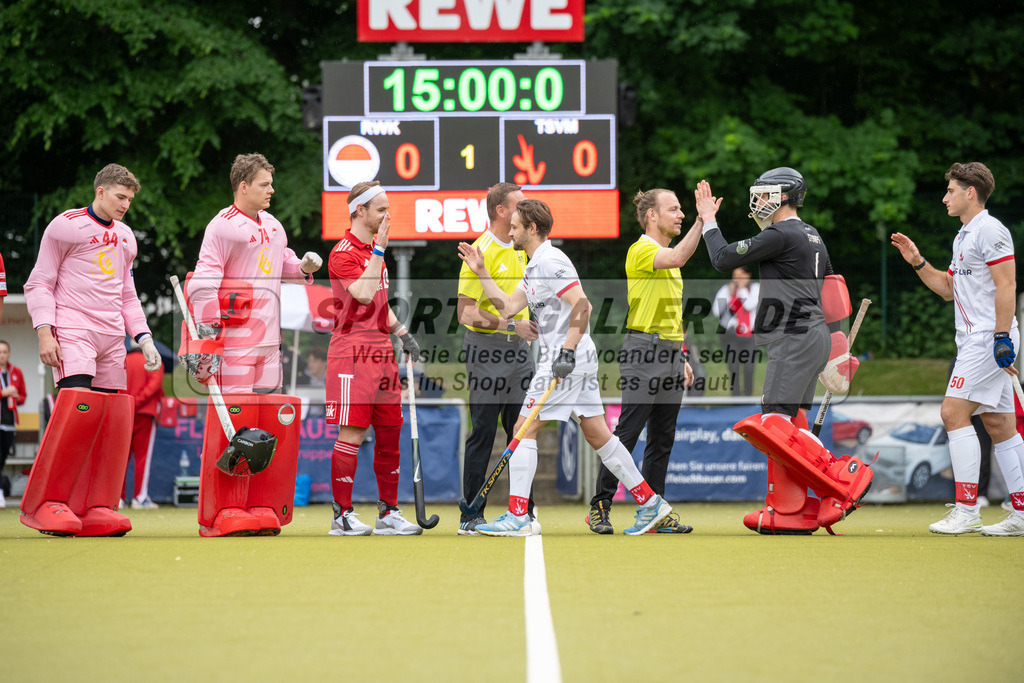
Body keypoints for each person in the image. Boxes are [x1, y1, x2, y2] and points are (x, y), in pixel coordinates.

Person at [459, 198, 673, 536]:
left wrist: (567, 353)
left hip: (566, 359)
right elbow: (508, 305)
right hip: (573, 359)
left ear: (531, 228)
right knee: (598, 434)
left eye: (515, 227)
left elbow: (582, 306)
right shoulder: (532, 265)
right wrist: (482, 271)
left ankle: (517, 516)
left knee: (521, 430)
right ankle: (650, 503)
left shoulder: (550, 260)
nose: (510, 231)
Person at [696, 170, 872, 534]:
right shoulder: (813, 234)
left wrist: (709, 221)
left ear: (784, 195)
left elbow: (723, 258)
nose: (757, 201)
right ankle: (790, 511)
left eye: (763, 194)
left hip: (794, 337)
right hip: (815, 334)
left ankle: (841, 480)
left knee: (774, 423)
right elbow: (833, 290)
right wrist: (836, 344)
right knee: (793, 421)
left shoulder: (781, 233)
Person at [184, 152, 323, 537]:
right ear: (243, 186)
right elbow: (203, 280)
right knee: (234, 424)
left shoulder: (275, 226)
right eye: (264, 184)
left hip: (269, 341)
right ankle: (224, 509)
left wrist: (304, 268)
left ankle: (257, 502)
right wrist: (208, 331)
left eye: (271, 184)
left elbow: (285, 266)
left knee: (264, 424)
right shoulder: (222, 226)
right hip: (234, 342)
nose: (271, 190)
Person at [20, 163, 163, 536]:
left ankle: (95, 505)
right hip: (73, 329)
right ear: (100, 191)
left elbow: (128, 296)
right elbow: (39, 283)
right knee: (77, 414)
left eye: (130, 199)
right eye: (120, 196)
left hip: (112, 338)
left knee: (108, 423)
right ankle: (49, 502)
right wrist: (45, 332)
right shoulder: (66, 225)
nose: (125, 205)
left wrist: (144, 338)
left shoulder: (128, 237)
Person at [892, 161, 1024, 536]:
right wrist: (917, 262)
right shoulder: (963, 235)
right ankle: (1022, 513)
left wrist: (1001, 337)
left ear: (970, 192)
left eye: (951, 190)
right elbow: (949, 289)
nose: (944, 196)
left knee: (952, 412)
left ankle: (967, 510)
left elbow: (1007, 285)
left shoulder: (991, 230)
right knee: (1000, 425)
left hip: (986, 338)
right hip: (978, 338)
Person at [587, 188, 698, 535]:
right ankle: (600, 506)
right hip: (642, 351)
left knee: (662, 438)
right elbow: (679, 257)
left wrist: (681, 354)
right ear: (652, 215)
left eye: (683, 210)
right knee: (627, 433)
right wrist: (704, 220)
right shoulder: (642, 250)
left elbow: (671, 313)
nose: (680, 215)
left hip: (668, 352)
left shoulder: (665, 255)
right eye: (674, 209)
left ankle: (655, 512)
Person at [324, 180, 422, 536]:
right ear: (359, 211)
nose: (387, 216)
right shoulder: (344, 253)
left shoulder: (372, 254)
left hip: (382, 352)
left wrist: (403, 334)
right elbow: (363, 296)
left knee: (390, 432)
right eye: (381, 209)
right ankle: (342, 515)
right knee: (351, 432)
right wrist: (379, 250)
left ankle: (388, 512)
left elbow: (380, 306)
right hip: (351, 353)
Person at [456, 182, 538, 535]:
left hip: (519, 354)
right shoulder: (480, 250)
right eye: (518, 205)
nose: (524, 209)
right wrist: (510, 324)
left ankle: (523, 511)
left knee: (522, 430)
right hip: (486, 351)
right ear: (502, 211)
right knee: (484, 432)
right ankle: (470, 515)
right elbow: (465, 314)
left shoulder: (523, 248)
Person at [121, 341, 165, 509]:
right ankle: (140, 497)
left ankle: (118, 498)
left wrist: (129, 403)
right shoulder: (153, 360)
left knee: (120, 458)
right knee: (142, 457)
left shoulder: (121, 360)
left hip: (124, 411)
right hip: (145, 412)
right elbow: (154, 385)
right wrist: (138, 401)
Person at [712, 265, 760, 396]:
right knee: (733, 368)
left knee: (749, 368)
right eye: (735, 276)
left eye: (740, 276)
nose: (737, 279)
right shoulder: (726, 289)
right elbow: (716, 311)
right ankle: (735, 398)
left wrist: (742, 290)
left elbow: (749, 305)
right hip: (731, 335)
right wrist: (729, 295)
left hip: (750, 335)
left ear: (747, 276)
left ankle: (748, 397)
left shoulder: (755, 288)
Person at [0, 339, 28, 508]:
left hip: (10, 423)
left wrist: (17, 397)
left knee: (3, 458)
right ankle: (0, 491)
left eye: (4, 352)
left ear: (9, 354)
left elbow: (23, 396)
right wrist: (3, 392)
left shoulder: (16, 371)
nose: (1, 355)